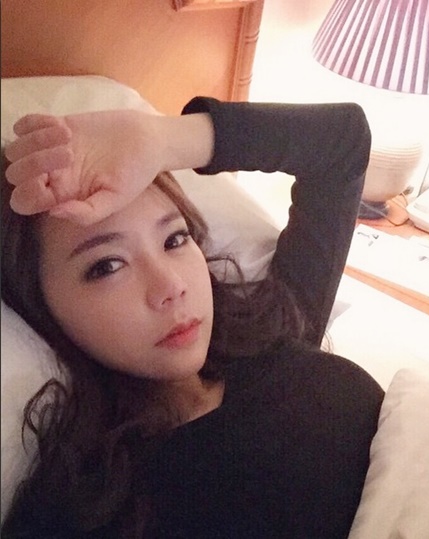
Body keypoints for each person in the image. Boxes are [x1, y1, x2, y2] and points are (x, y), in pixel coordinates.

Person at [1, 96, 384, 538]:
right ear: (41, 307)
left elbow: (342, 143)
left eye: (174, 239)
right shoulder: (89, 509)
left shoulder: (281, 324)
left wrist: (160, 139)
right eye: (107, 265)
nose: (171, 286)